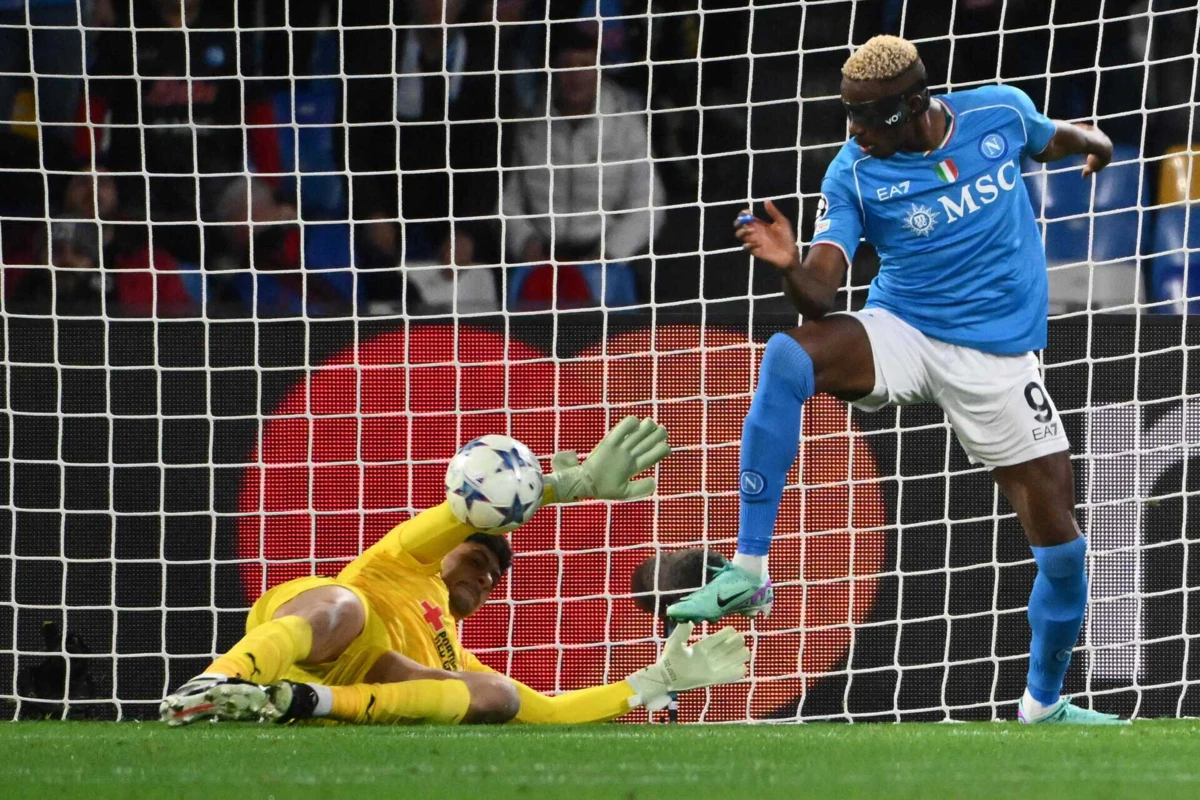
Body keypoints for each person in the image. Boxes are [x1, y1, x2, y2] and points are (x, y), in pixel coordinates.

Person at [666, 35, 1126, 726]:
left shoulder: (997, 114)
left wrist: (1096, 143)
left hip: (997, 359)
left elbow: (1048, 137)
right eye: (847, 114)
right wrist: (790, 265)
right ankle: (749, 570)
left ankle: (1043, 704)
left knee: (1063, 553)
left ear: (913, 105)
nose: (854, 132)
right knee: (788, 356)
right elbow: (820, 295)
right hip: (904, 328)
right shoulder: (853, 171)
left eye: (867, 117)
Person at [160, 417, 749, 726]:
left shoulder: (451, 652)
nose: (487, 577)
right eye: (476, 558)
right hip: (317, 631)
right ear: (448, 551)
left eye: (495, 576)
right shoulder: (400, 560)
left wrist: (654, 681)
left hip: (345, 691)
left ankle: (299, 702)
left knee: (497, 695)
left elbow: (548, 711)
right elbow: (466, 509)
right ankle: (212, 683)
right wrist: (567, 485)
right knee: (345, 604)